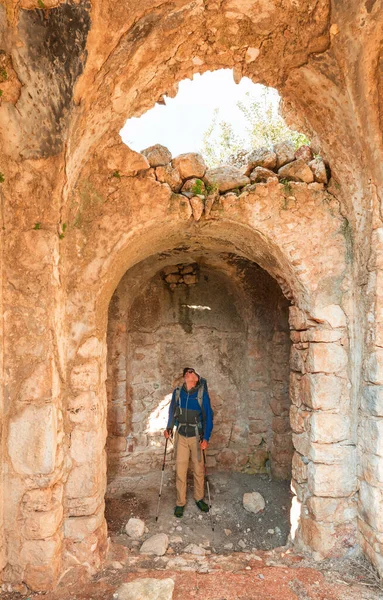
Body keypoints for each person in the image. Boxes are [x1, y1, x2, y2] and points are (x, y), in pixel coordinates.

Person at [164, 367, 214, 518]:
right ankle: (180, 502)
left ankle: (199, 499)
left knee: (198, 469)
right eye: (186, 371)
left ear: (197, 378)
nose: (187, 373)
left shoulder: (202, 395)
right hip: (181, 436)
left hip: (196, 437)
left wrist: (205, 438)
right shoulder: (178, 392)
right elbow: (173, 410)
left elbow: (209, 418)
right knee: (180, 470)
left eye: (191, 372)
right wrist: (169, 428)